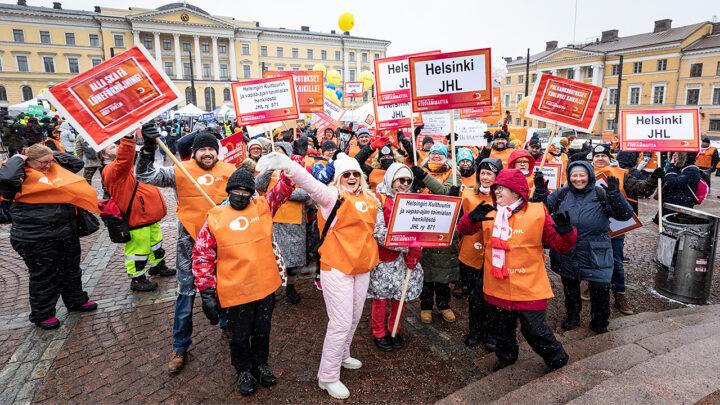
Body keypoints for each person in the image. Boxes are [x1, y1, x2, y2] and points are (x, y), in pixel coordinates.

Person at [255, 152, 381, 400]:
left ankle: (343, 354)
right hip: (336, 267)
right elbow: (310, 184)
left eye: (356, 173)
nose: (352, 177)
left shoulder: (372, 198)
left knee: (355, 317)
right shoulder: (331, 196)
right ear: (339, 177)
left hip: (362, 267)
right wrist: (288, 166)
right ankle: (328, 376)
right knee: (341, 322)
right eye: (347, 174)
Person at [137, 125, 236, 374]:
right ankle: (180, 346)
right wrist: (148, 148)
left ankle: (226, 324)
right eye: (202, 149)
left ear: (217, 152)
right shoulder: (179, 170)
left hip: (222, 240)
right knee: (186, 292)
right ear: (194, 152)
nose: (207, 153)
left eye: (211, 149)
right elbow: (144, 175)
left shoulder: (229, 171)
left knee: (223, 284)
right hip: (188, 242)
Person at [456, 169, 576, 370]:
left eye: (502, 189)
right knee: (503, 329)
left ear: (517, 191)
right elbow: (464, 231)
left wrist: (567, 234)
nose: (498, 193)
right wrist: (471, 219)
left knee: (535, 330)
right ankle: (506, 358)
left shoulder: (538, 212)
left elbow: (561, 246)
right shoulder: (489, 212)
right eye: (496, 189)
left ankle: (557, 358)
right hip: (497, 284)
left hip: (529, 285)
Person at [192, 167, 294, 395]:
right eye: (236, 190)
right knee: (239, 335)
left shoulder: (263, 207)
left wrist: (290, 163)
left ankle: (260, 364)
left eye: (246, 191)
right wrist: (206, 291)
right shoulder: (215, 217)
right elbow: (202, 255)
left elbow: (285, 187)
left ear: (251, 193)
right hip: (236, 290)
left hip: (265, 285)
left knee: (262, 330)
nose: (241, 195)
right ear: (229, 191)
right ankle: (243, 370)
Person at [0, 144, 98, 329]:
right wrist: (19, 158)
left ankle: (76, 300)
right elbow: (3, 177)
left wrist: (50, 154)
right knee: (44, 275)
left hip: (65, 231)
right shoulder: (18, 176)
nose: (47, 166)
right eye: (43, 163)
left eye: (50, 162)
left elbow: (76, 163)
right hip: (35, 237)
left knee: (71, 268)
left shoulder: (54, 169)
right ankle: (42, 314)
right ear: (29, 161)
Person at [543, 162, 633, 334]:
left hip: (597, 251)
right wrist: (540, 193)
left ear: (590, 175)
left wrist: (615, 195)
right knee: (570, 287)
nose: (578, 179)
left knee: (600, 289)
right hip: (568, 250)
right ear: (569, 177)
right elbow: (541, 210)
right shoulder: (562, 194)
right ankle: (572, 316)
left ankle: (600, 321)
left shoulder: (601, 194)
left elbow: (625, 215)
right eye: (574, 175)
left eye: (582, 175)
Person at [587, 144, 662, 315]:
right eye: (596, 156)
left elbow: (641, 188)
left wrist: (653, 180)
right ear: (592, 159)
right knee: (592, 259)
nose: (599, 159)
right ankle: (592, 286)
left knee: (617, 261)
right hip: (592, 226)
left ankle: (619, 294)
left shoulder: (622, 174)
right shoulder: (584, 174)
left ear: (609, 158)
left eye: (603, 156)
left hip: (615, 226)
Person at [99, 132, 175, 292]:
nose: (117, 147)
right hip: (137, 218)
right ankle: (137, 278)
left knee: (156, 243)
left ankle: (158, 266)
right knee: (138, 250)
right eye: (113, 147)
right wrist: (127, 138)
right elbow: (124, 157)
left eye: (117, 145)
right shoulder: (112, 169)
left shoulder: (128, 167)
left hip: (149, 216)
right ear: (104, 156)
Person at [368, 163, 423, 352]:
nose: (405, 183)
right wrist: (407, 246)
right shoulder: (378, 199)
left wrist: (417, 248)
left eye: (408, 180)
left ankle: (394, 329)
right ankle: (378, 332)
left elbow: (421, 228)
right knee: (381, 298)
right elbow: (378, 232)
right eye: (401, 180)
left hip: (404, 260)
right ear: (391, 178)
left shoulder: (413, 199)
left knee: (400, 297)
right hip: (385, 259)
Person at [255, 141, 311, 305]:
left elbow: (306, 193)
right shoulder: (267, 170)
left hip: (294, 222)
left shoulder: (298, 171)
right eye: (275, 151)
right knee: (272, 258)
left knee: (293, 262)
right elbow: (258, 185)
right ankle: (271, 289)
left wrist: (282, 192)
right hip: (272, 220)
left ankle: (291, 287)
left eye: (281, 151)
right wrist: (271, 168)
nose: (278, 154)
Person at [411, 142, 461, 324]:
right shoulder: (418, 170)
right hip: (423, 225)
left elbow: (445, 194)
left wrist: (423, 177)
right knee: (425, 270)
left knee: (442, 271)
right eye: (433, 154)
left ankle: (444, 304)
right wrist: (414, 183)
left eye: (440, 154)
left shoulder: (453, 173)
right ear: (428, 155)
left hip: (444, 227)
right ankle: (425, 306)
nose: (436, 156)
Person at [458, 158, 502, 350]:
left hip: (495, 254)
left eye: (489, 174)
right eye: (482, 173)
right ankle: (475, 331)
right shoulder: (467, 194)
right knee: (475, 296)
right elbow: (457, 222)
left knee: (494, 297)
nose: (485, 177)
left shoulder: (503, 196)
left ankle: (492, 333)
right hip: (472, 253)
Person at [660, 152, 703, 216]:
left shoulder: (691, 170)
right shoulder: (679, 167)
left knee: (672, 224)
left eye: (676, 154)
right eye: (673, 154)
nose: (674, 156)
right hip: (671, 203)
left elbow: (673, 182)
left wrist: (671, 167)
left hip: (679, 205)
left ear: (684, 157)